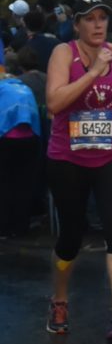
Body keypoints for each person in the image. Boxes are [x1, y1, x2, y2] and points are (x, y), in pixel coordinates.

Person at [44, 0, 112, 339]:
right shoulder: (63, 53)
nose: (98, 24)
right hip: (68, 158)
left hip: (110, 153)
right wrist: (92, 72)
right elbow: (55, 102)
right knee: (72, 235)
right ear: (77, 25)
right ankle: (59, 300)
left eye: (103, 18)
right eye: (90, 19)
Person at [0, 73, 42, 238]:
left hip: (4, 140)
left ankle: (3, 227)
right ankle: (20, 227)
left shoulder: (2, 89)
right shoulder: (26, 89)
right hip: (30, 139)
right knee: (24, 184)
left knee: (4, 184)